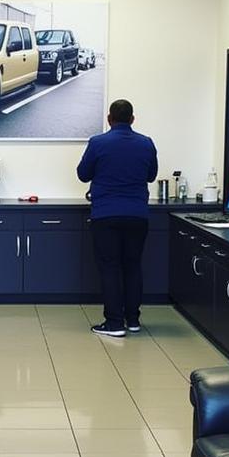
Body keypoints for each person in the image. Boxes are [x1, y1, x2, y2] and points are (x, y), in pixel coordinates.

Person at [77, 99, 159, 337]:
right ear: (133, 119)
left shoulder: (98, 143)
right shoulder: (146, 143)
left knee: (110, 268)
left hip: (106, 215)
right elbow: (151, 175)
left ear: (109, 119)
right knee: (133, 266)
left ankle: (114, 323)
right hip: (137, 215)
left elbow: (83, 174)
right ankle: (133, 320)